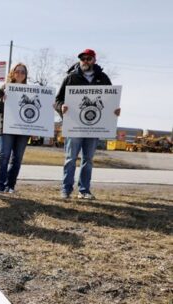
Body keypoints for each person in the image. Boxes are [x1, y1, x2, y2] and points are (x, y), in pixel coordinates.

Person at [55, 48, 121, 199]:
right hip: (74, 126)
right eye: (83, 58)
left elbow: (111, 100)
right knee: (70, 158)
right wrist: (62, 108)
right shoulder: (71, 78)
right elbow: (58, 100)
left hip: (94, 126)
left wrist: (115, 110)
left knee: (88, 159)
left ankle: (84, 190)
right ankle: (66, 189)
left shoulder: (103, 78)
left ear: (94, 61)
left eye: (88, 58)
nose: (85, 61)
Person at [0, 63, 30, 193]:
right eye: (17, 71)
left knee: (17, 158)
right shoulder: (4, 88)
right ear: (12, 73)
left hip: (23, 130)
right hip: (5, 128)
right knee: (4, 156)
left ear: (26, 75)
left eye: (23, 72)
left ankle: (10, 185)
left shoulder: (31, 91)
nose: (20, 74)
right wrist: (2, 101)